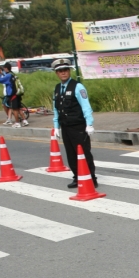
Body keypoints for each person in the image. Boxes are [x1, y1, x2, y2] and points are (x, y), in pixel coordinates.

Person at [51, 58, 98, 189]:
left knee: (84, 152)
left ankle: (91, 178)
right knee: (71, 154)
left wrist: (89, 124)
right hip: (65, 127)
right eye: (60, 71)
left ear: (69, 71)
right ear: (57, 73)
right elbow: (56, 109)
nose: (63, 73)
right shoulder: (57, 88)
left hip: (78, 126)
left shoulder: (78, 87)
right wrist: (56, 127)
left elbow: (86, 107)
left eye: (65, 70)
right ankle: (77, 177)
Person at [0, 62, 27, 128]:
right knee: (18, 108)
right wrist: (2, 73)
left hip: (12, 94)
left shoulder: (8, 76)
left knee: (14, 109)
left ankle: (17, 123)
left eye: (4, 69)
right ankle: (24, 120)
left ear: (6, 68)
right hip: (17, 93)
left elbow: (0, 80)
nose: (4, 70)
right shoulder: (12, 74)